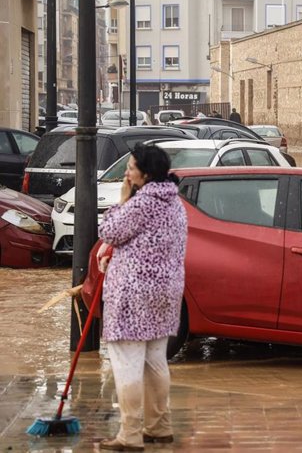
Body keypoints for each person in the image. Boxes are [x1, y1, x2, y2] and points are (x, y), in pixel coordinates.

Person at [97, 144, 188, 451]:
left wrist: (121, 201)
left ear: (146, 174)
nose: (126, 171)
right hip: (166, 293)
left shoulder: (141, 203)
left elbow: (109, 232)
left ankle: (130, 434)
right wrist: (121, 258)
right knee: (155, 361)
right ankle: (159, 427)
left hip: (133, 295)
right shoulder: (175, 203)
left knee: (127, 364)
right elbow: (149, 245)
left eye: (131, 167)